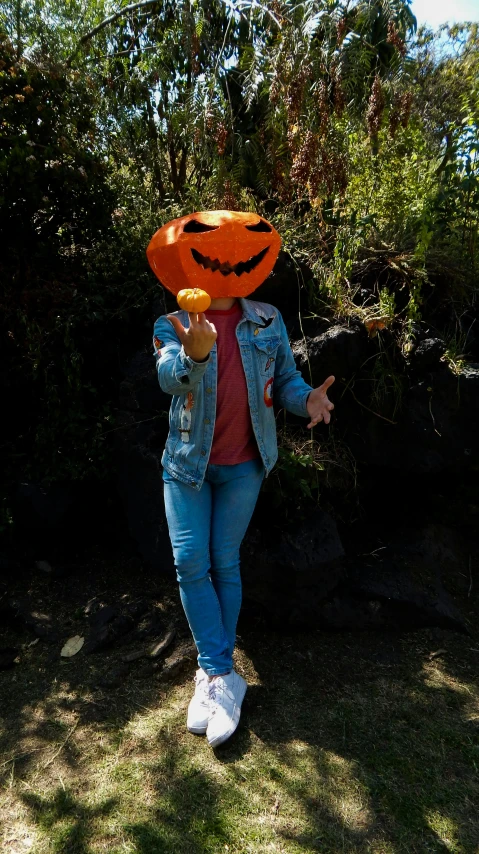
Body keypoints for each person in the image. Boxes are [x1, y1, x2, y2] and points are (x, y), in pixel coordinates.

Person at [153, 291, 335, 748]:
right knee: (190, 562)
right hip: (186, 465)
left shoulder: (267, 318)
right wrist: (193, 357)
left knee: (224, 560)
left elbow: (286, 380)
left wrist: (306, 400)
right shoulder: (173, 322)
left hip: (246, 464)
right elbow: (168, 380)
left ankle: (217, 674)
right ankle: (220, 673)